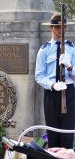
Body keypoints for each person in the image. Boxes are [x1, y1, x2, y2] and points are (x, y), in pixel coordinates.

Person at [35, 12, 75, 148]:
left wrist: (70, 67)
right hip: (52, 94)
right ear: (51, 28)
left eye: (63, 27)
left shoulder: (71, 48)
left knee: (68, 136)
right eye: (57, 27)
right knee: (53, 135)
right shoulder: (44, 50)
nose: (60, 30)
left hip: (69, 92)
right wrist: (52, 85)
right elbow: (39, 76)